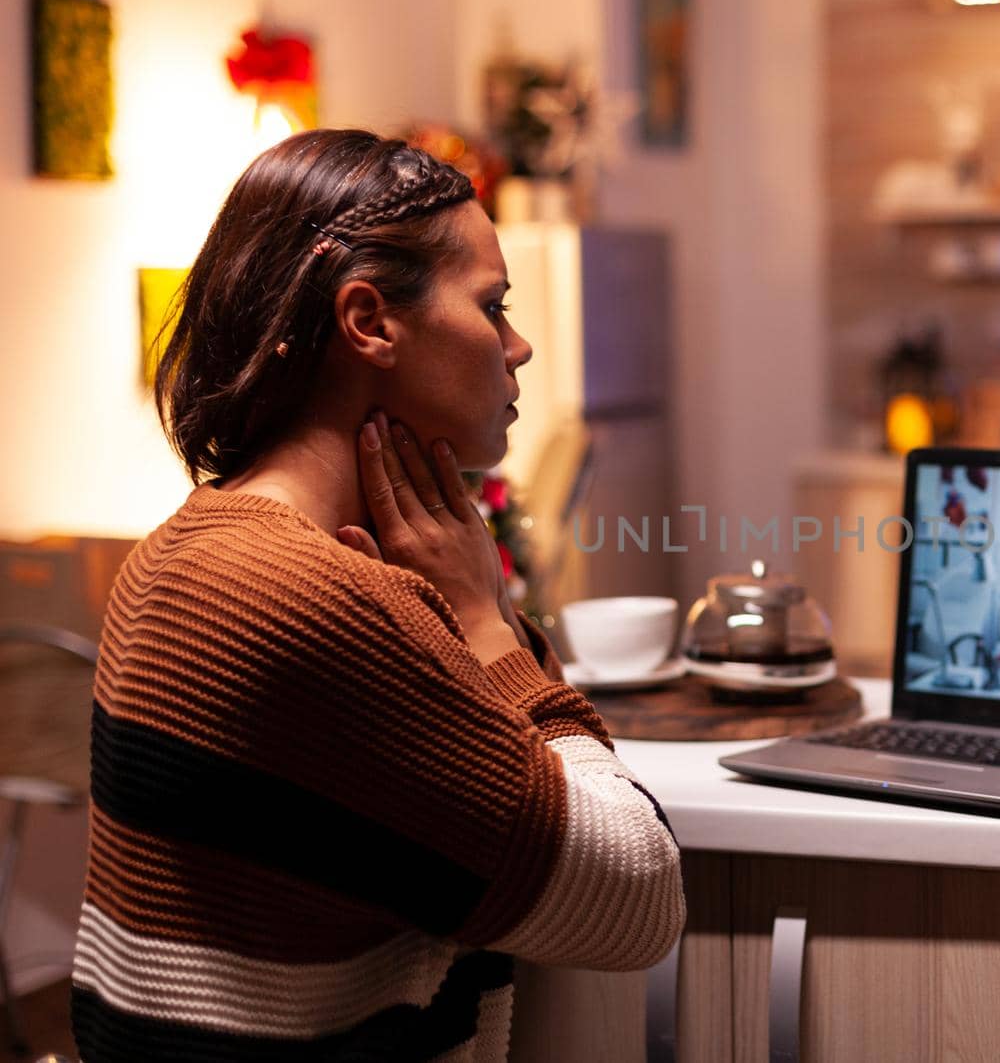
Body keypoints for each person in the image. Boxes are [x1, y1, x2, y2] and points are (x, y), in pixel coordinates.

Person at [70, 129, 685, 1062]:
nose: (517, 347)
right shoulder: (317, 599)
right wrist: (483, 620)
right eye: (493, 304)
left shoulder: (185, 548)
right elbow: (636, 899)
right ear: (369, 322)